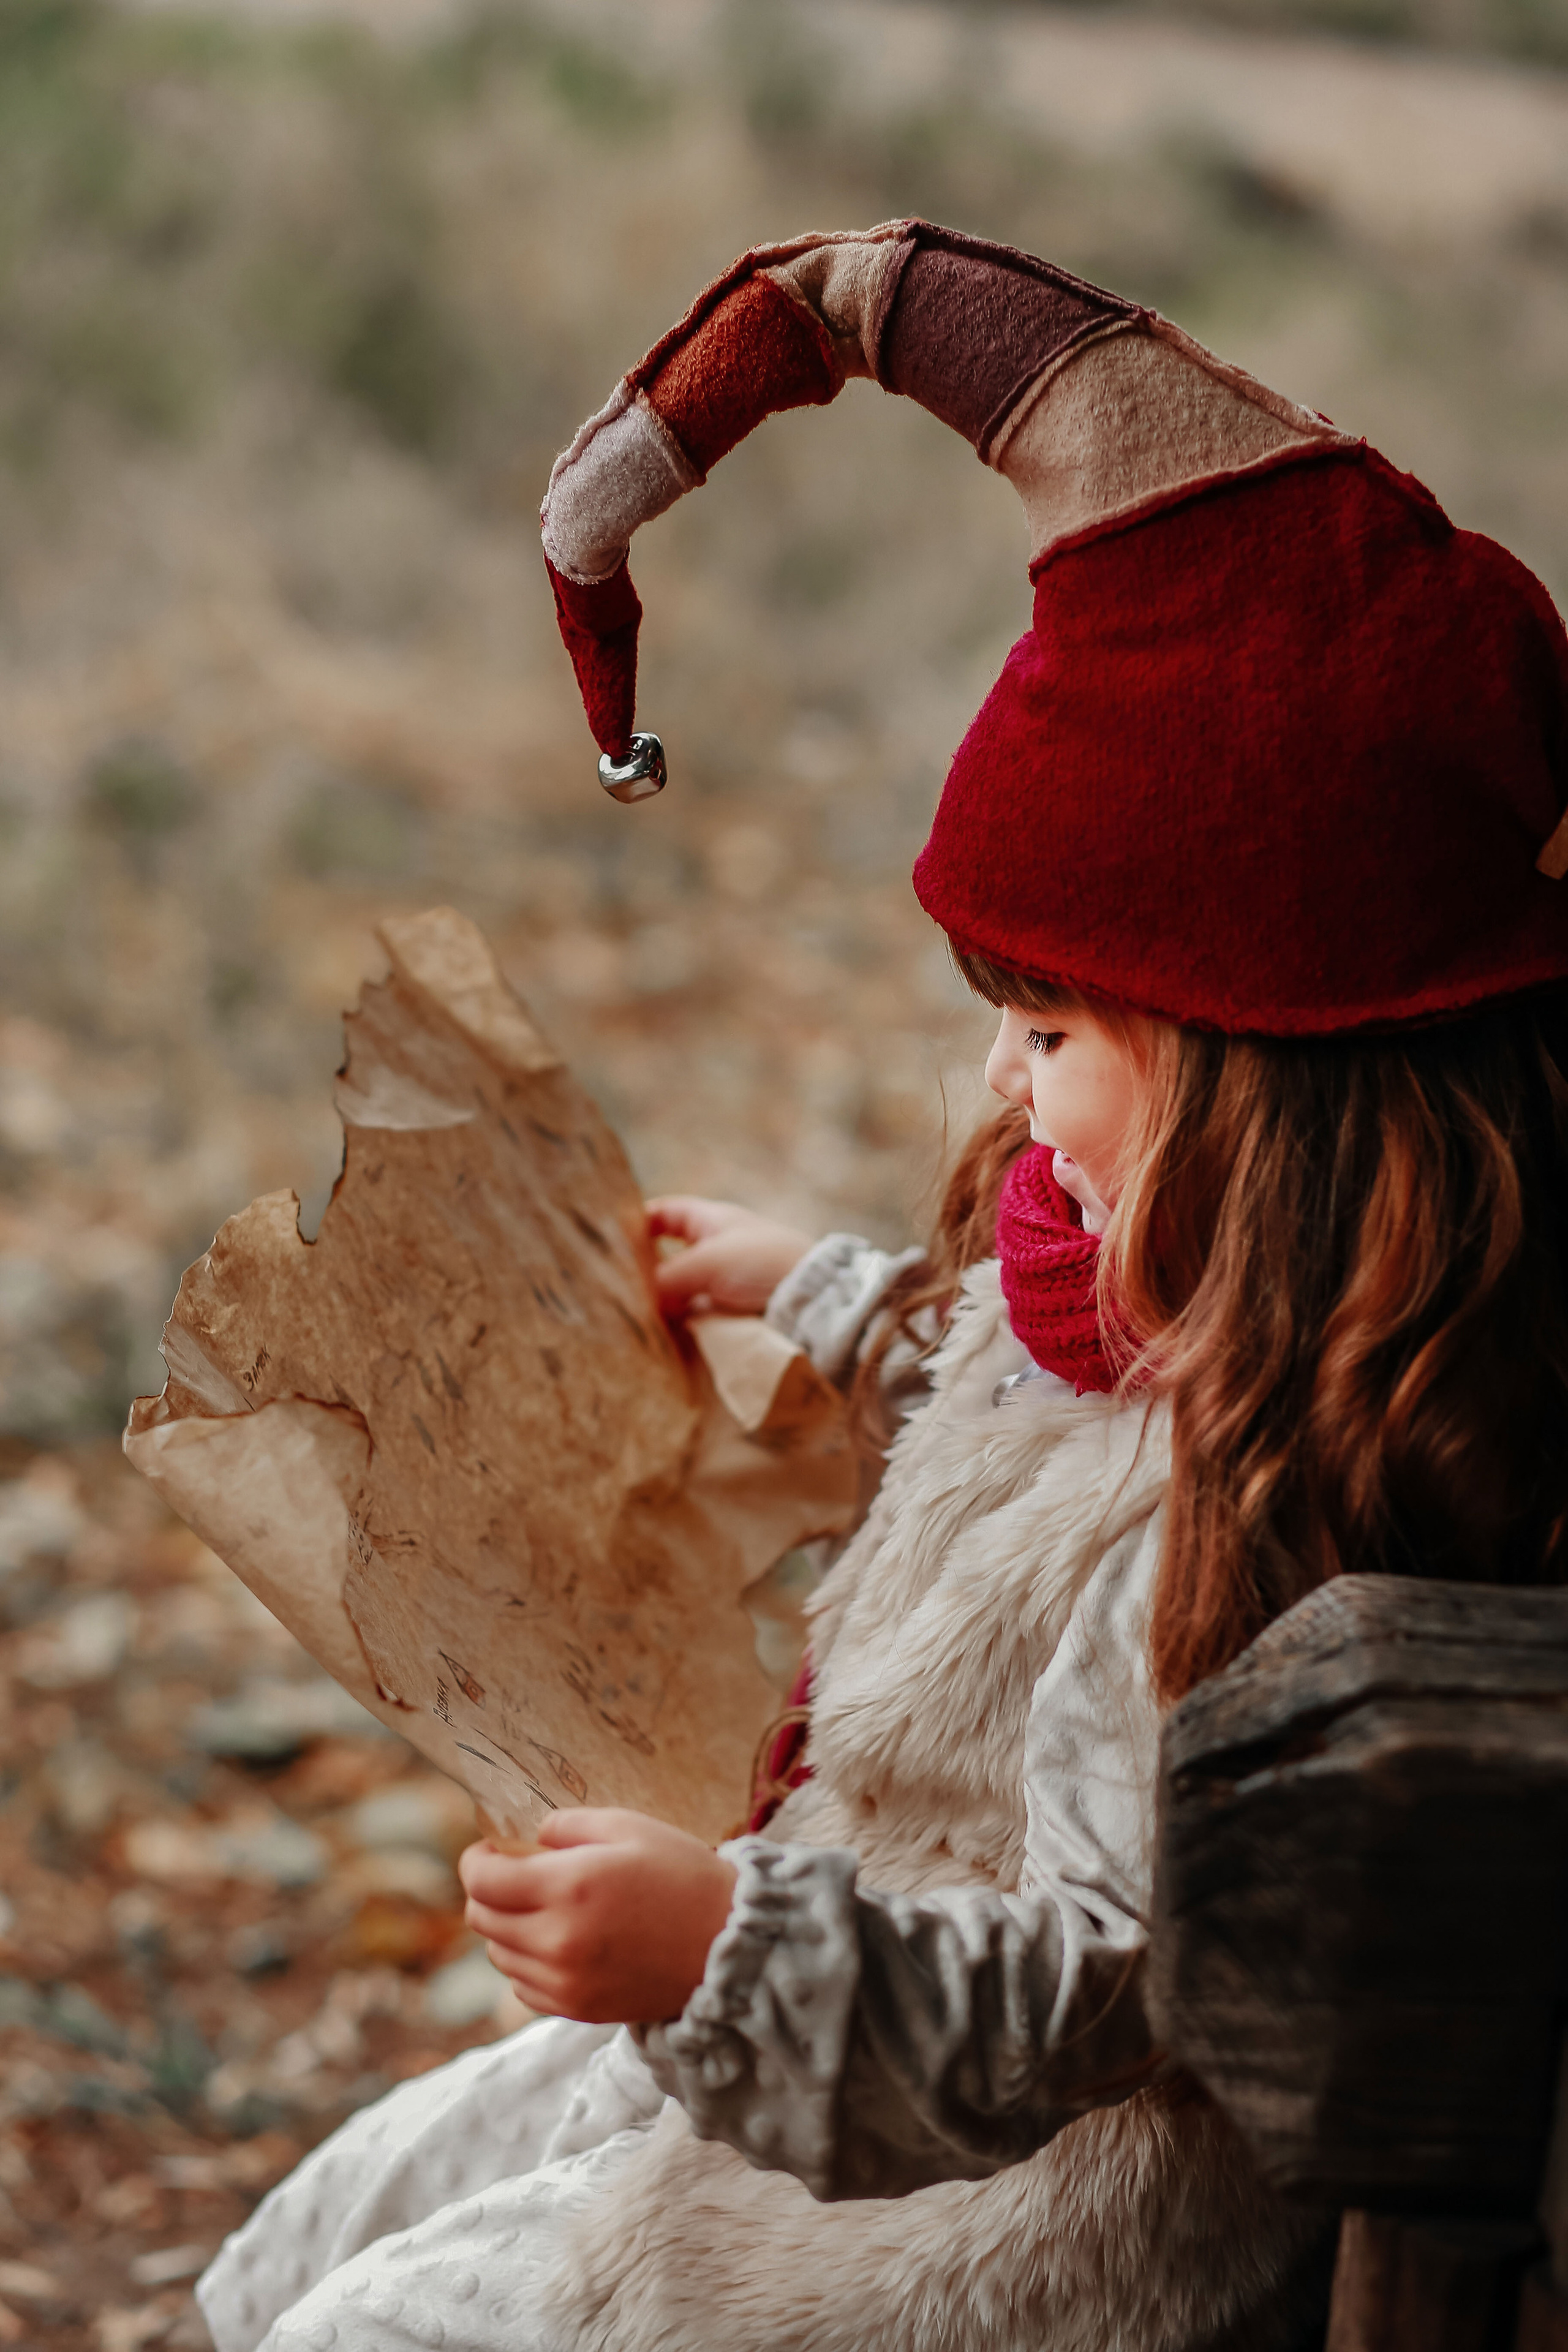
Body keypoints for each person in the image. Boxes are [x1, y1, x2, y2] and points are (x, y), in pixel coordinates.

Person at [198, 221, 1568, 2352]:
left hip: (990, 2203)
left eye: (1052, 1031)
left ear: (1272, 1072)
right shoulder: (1177, 1284)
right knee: (381, 2199)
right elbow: (1006, 1397)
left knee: (415, 2320)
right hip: (842, 2001)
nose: (1006, 1089)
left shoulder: (1240, 1529)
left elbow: (1102, 1986)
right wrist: (826, 1297)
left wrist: (718, 1952)